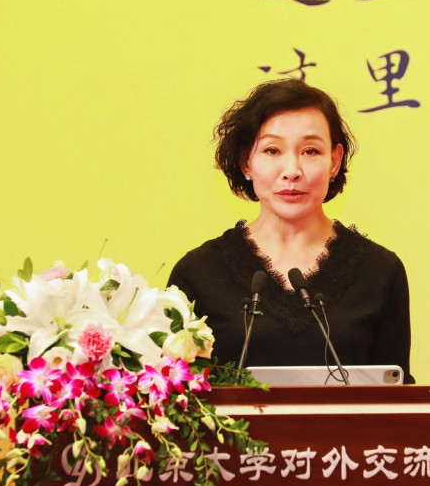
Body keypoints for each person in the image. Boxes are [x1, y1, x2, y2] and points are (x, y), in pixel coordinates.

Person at [168, 78, 414, 383]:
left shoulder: (380, 271)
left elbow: (397, 396)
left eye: (310, 151)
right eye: (272, 150)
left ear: (335, 161)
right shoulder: (198, 273)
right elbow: (174, 390)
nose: (292, 171)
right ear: (246, 162)